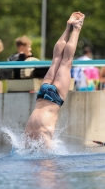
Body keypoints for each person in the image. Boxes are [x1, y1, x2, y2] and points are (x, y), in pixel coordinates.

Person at [24, 11, 85, 148]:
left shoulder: (38, 137)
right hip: (42, 92)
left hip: (53, 98)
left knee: (66, 61)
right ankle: (68, 27)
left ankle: (76, 28)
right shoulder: (28, 137)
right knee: (57, 59)